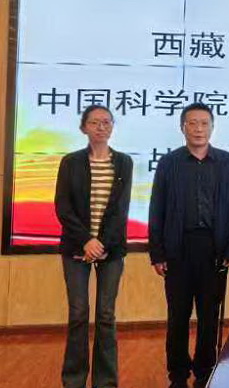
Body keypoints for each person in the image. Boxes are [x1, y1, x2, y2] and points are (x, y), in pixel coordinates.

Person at [148, 103, 229, 388]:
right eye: (192, 123)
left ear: (212, 127)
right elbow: (157, 209)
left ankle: (205, 373)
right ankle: (178, 375)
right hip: (178, 249)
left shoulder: (228, 162)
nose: (198, 129)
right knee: (177, 316)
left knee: (209, 316)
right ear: (183, 127)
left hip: (214, 250)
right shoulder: (169, 163)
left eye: (204, 123)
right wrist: (157, 252)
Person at [54, 105, 133, 388]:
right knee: (78, 314)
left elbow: (121, 209)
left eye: (106, 122)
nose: (101, 127)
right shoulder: (71, 162)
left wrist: (101, 243)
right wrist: (86, 240)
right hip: (76, 248)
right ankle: (74, 380)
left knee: (106, 315)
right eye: (95, 122)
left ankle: (105, 382)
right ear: (83, 127)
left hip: (111, 250)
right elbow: (63, 207)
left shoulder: (124, 162)